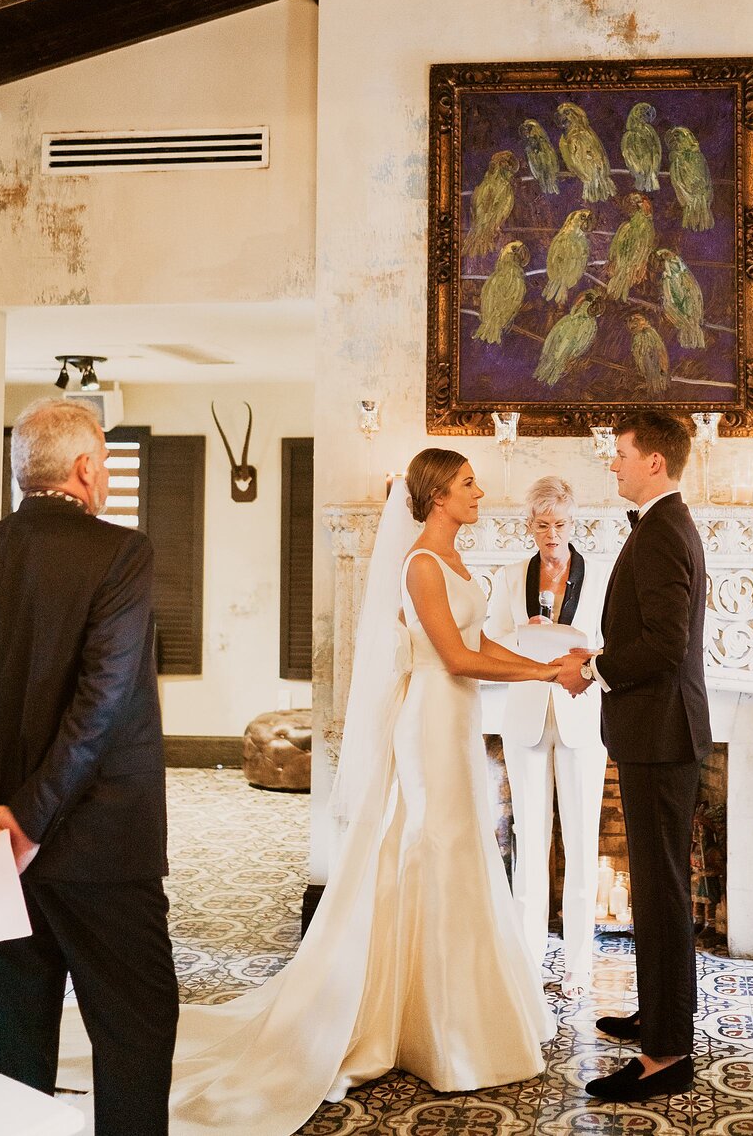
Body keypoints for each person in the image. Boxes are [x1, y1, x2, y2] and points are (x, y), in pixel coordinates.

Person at [58, 448, 559, 1135]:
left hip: (459, 721)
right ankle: (434, 1027)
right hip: (430, 726)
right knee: (434, 852)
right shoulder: (419, 565)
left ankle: (451, 1013)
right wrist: (544, 674)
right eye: (469, 483)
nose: (481, 491)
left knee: (460, 854)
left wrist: (548, 665)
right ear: (438, 494)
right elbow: (456, 657)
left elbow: (482, 646)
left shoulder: (459, 563)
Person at [0, 397, 178, 1136]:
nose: (102, 475)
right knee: (136, 1025)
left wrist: (9, 819)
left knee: (13, 1035)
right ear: (82, 469)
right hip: (102, 844)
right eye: (101, 460)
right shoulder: (121, 553)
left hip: (1, 845)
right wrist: (35, 817)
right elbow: (100, 703)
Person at [557, 410, 712, 1102]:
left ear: (654, 460)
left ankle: (665, 1057)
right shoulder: (662, 526)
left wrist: (592, 668)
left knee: (660, 892)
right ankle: (662, 1017)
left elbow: (665, 645)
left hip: (659, 734)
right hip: (658, 732)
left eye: (620, 453)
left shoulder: (660, 533)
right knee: (660, 888)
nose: (612, 464)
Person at [487, 475, 609, 998]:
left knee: (581, 842)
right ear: (529, 526)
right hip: (527, 716)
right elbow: (490, 640)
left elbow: (613, 642)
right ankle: (527, 960)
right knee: (529, 841)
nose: (552, 534)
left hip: (582, 713)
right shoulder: (511, 577)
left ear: (573, 523)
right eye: (542, 525)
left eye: (560, 524)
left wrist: (583, 653)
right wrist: (527, 635)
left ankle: (580, 965)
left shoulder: (601, 575)